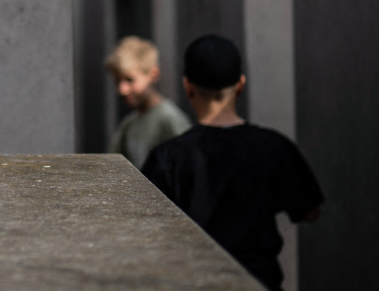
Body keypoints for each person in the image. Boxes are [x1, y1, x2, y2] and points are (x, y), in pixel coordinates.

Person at [141, 34, 324, 291]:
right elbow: (310, 210)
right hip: (260, 282)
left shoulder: (167, 157)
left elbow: (144, 229)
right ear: (240, 85)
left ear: (187, 87)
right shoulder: (273, 147)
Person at [105, 36, 191, 168]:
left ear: (153, 74)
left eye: (130, 80)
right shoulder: (128, 125)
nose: (122, 89)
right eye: (117, 81)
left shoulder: (170, 120)